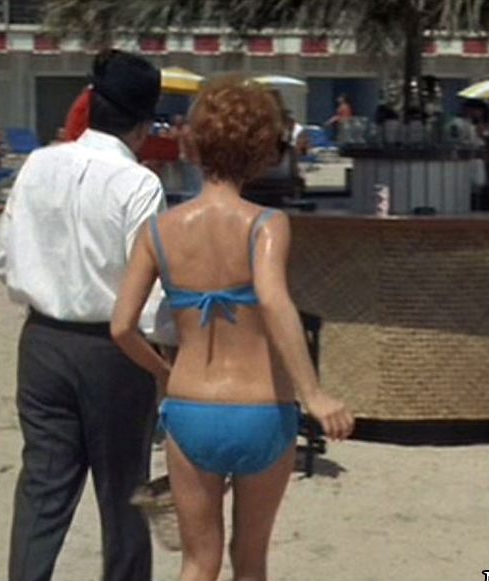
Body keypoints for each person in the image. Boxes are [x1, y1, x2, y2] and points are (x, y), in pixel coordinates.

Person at [110, 76, 354, 581]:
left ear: (196, 143)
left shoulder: (158, 231)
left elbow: (121, 328)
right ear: (259, 149)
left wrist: (163, 373)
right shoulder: (266, 224)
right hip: (262, 407)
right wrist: (313, 394)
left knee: (198, 562)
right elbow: (274, 300)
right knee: (250, 559)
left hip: (191, 406)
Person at [0, 49, 168, 581]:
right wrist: (166, 360)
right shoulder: (138, 183)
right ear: (144, 125)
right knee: (124, 492)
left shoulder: (39, 164)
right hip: (113, 350)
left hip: (42, 341)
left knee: (43, 488)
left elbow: (1, 258)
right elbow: (150, 292)